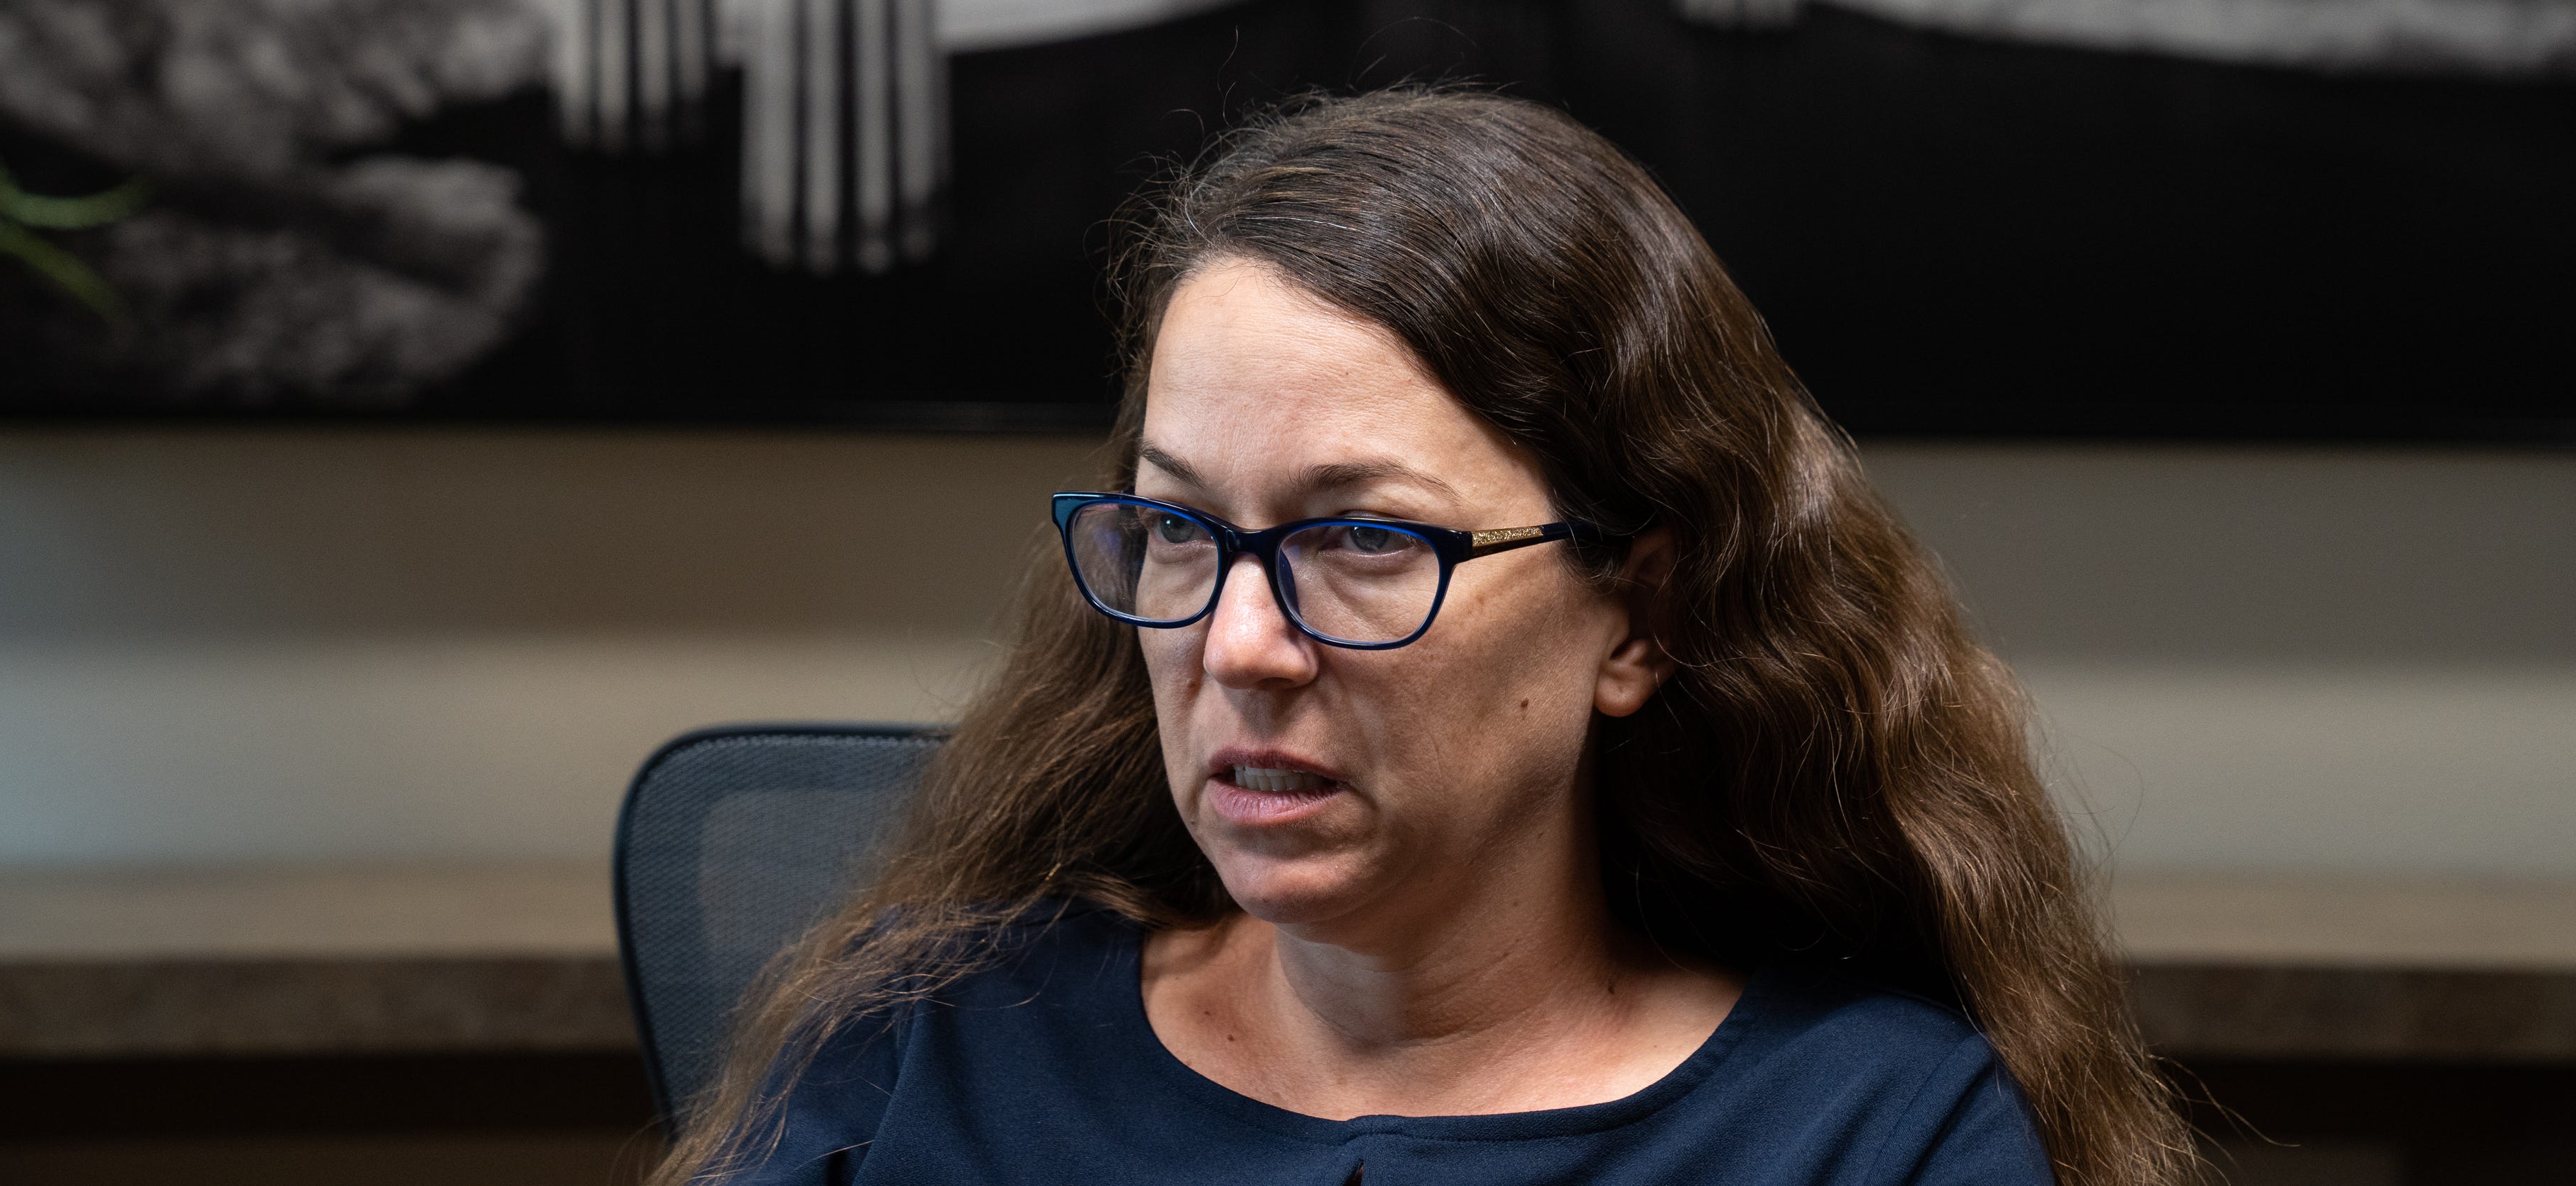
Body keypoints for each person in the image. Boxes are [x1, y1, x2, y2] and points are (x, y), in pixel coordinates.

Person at [662, 88, 2194, 1185]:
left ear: (1638, 615)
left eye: (1365, 541)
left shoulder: (1874, 1129)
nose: (1242, 645)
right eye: (1183, 528)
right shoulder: (937, 1035)